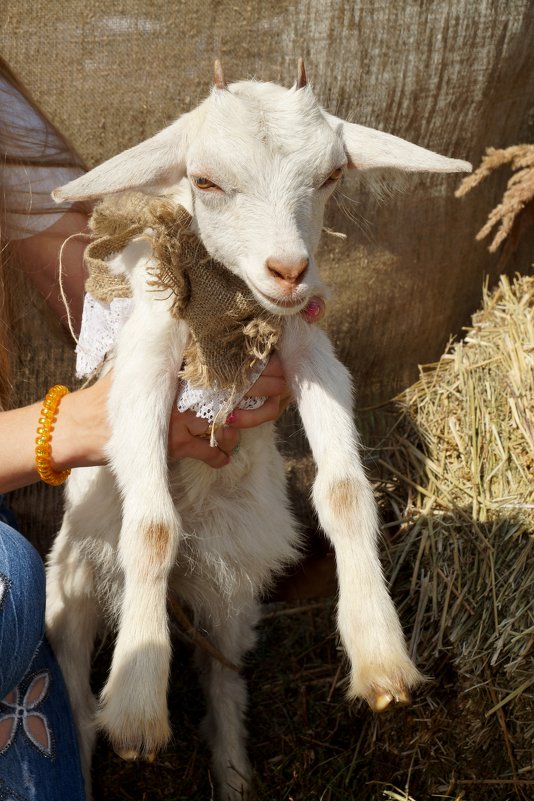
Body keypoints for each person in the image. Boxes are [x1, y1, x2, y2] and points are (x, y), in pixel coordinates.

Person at [0, 57, 324, 799]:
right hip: (70, 461)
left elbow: (91, 284)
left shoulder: (0, 119)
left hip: (188, 453)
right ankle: (72, 727)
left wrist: (215, 334)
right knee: (20, 589)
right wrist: (78, 424)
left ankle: (229, 744)